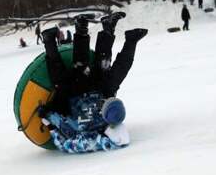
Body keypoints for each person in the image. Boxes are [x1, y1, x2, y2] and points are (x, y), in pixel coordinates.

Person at [37, 12, 148, 153]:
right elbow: (122, 137)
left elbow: (65, 144)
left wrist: (49, 120)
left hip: (74, 95)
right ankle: (116, 32)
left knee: (75, 72)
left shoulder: (88, 136)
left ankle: (57, 38)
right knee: (108, 69)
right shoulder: (108, 116)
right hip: (97, 90)